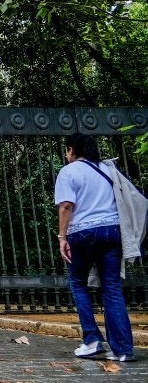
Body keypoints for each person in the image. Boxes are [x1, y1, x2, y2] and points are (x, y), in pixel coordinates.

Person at [55, 133, 139, 362]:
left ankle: (92, 340)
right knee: (111, 287)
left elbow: (65, 206)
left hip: (82, 233)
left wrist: (62, 237)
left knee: (78, 283)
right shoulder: (107, 169)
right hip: (112, 231)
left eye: (67, 150)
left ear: (72, 150)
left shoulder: (68, 171)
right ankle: (123, 349)